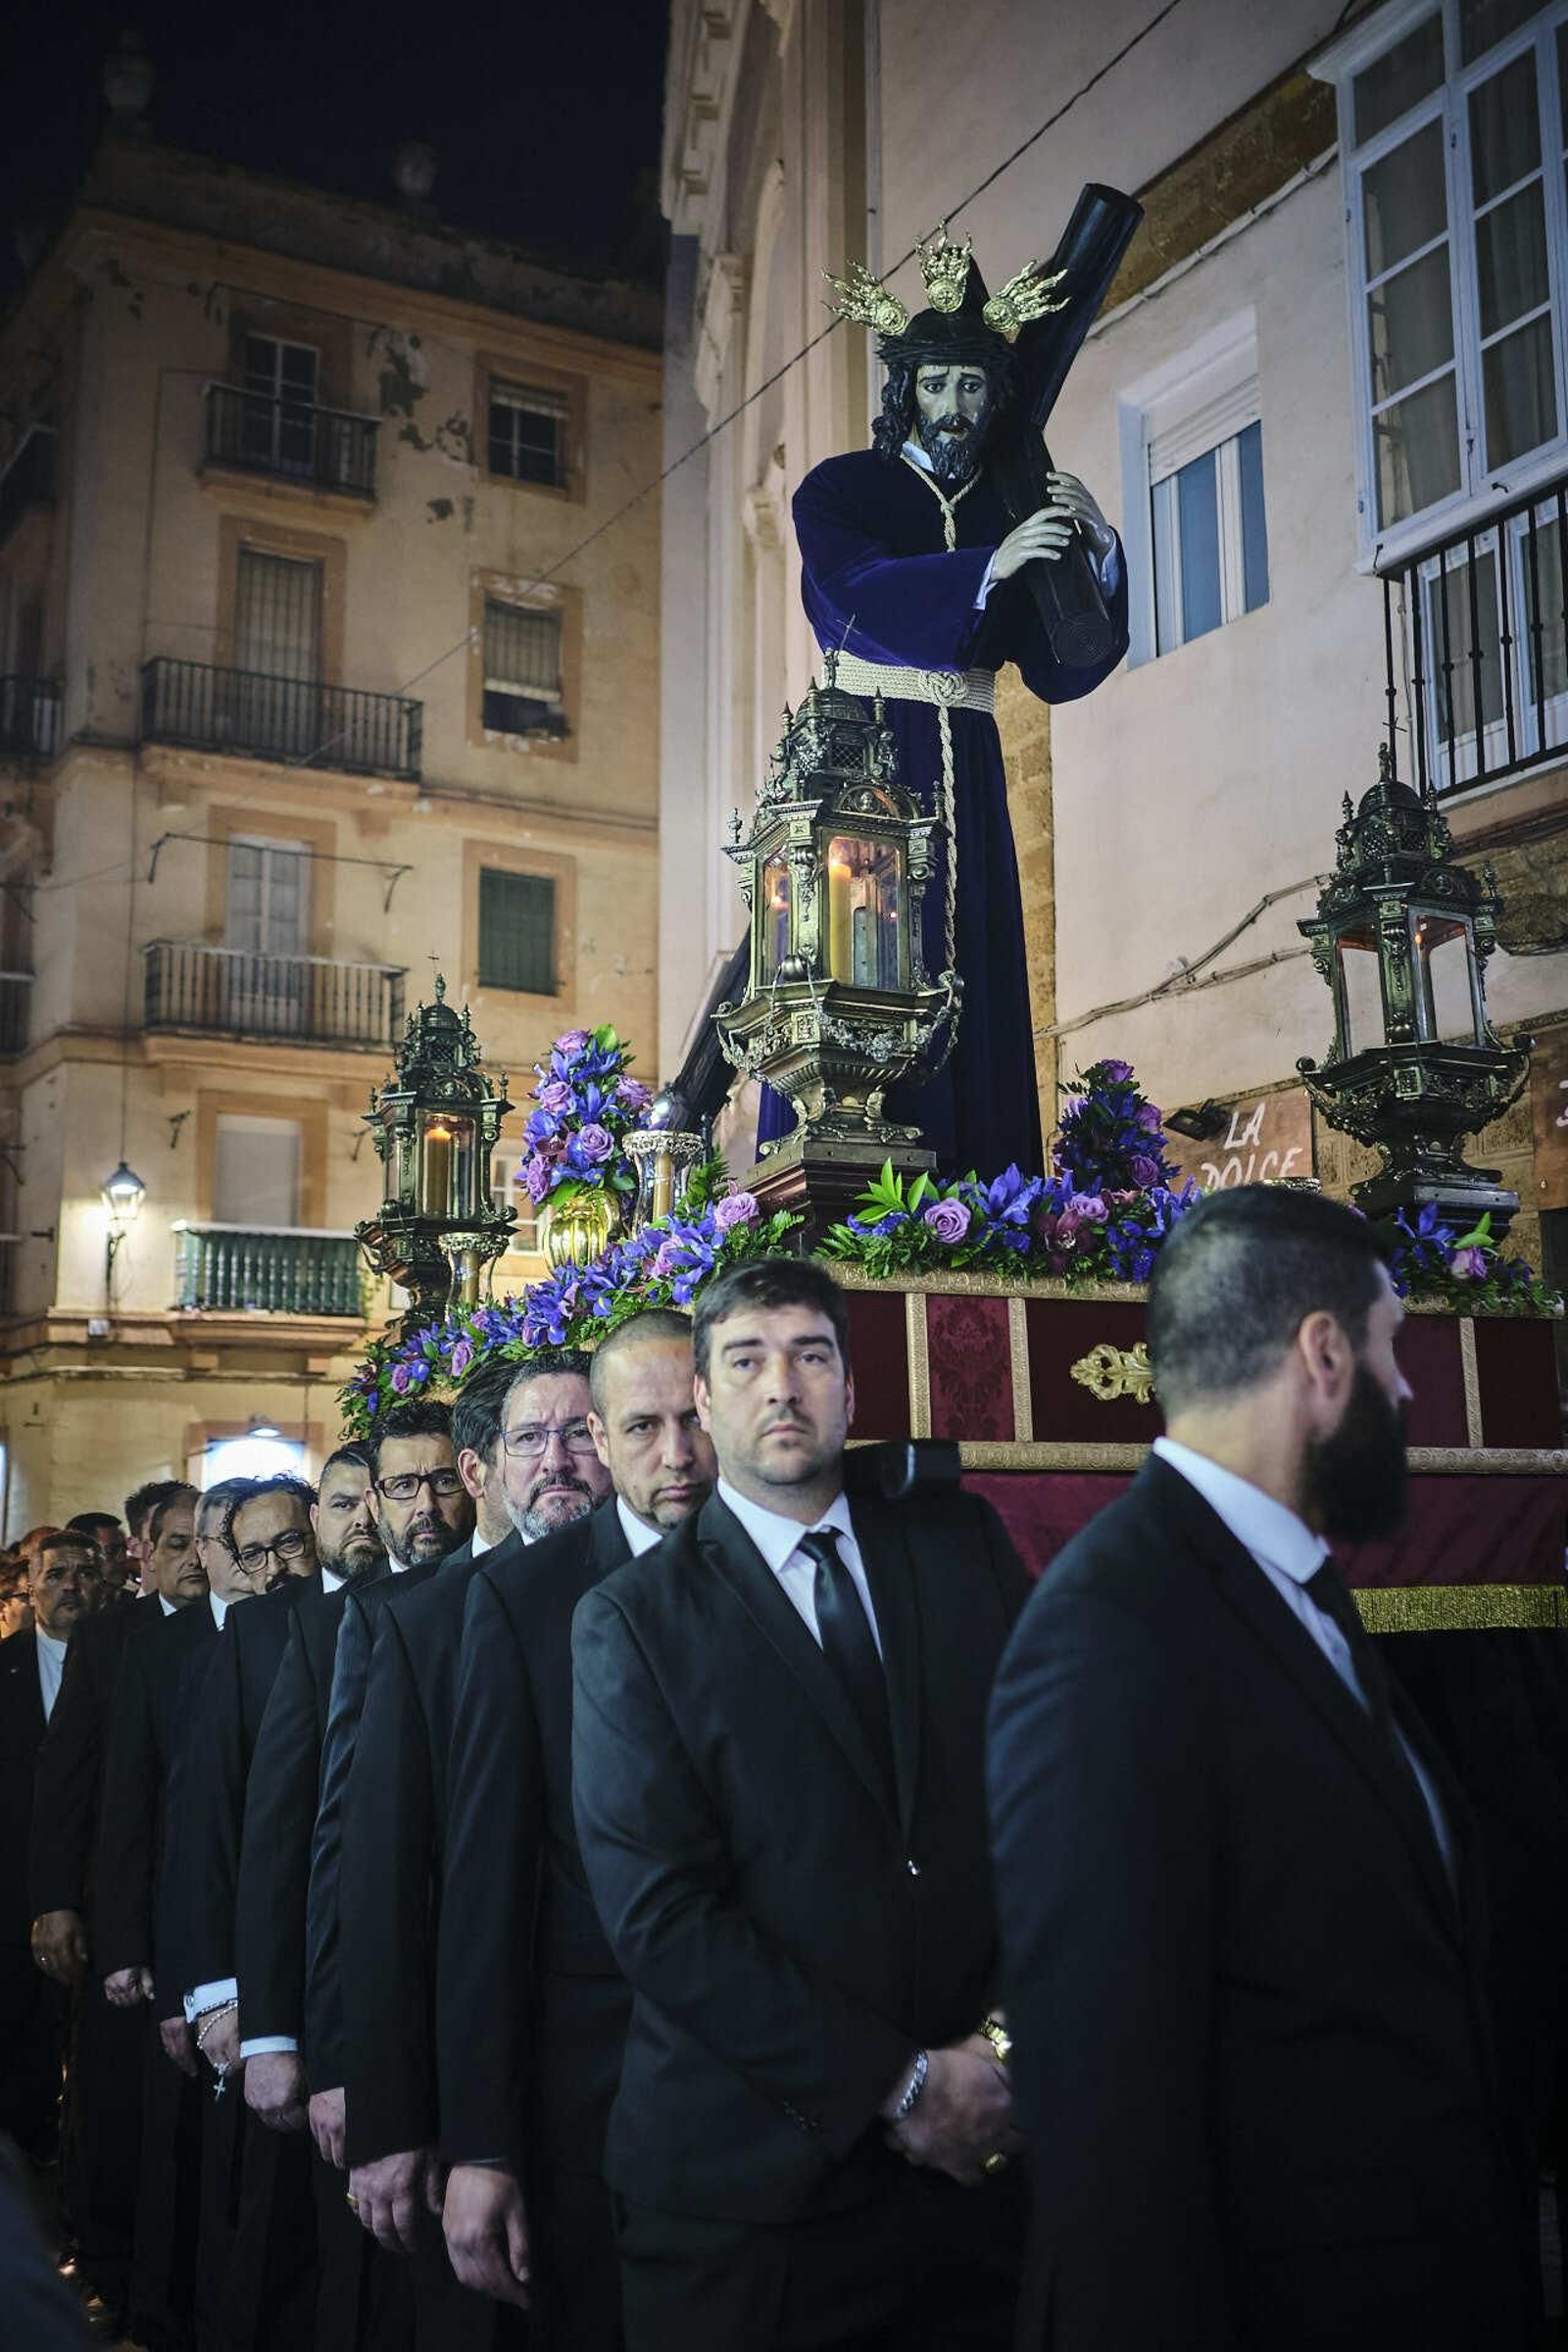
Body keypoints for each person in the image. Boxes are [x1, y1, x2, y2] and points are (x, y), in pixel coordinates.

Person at [987, 1184, 1533, 2352]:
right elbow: (1108, 2117)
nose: (1406, 1390)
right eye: (1390, 1345)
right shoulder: (1106, 1635)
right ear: (1322, 1353)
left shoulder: (1291, 1583)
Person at [572, 1257, 1031, 2351]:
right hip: (753, 2205)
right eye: (746, 1361)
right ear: (703, 1398)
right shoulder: (632, 1622)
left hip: (983, 2173)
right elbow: (662, 1917)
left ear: (851, 1390)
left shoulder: (961, 1548)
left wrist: (1000, 2048)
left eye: (811, 1356)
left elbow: (1048, 1806)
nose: (782, 1386)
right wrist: (901, 2085)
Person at [759, 230, 1127, 1178]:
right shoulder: (842, 489)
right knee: (866, 953)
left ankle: (985, 1196)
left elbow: (1058, 666)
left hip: (970, 754)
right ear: (906, 389)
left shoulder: (1013, 501)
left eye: (971, 385)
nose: (955, 406)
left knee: (977, 957)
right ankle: (848, 1177)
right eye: (937, 385)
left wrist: (1099, 552)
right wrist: (987, 568)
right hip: (870, 757)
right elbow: (857, 595)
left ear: (994, 395)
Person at [441, 1311, 716, 2343]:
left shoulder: (780, 1559)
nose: (676, 1452)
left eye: (693, 1421)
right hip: (595, 2085)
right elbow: (487, 1876)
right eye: (642, 1425)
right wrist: (481, 2143)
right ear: (607, 1436)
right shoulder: (519, 1599)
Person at [339, 1356, 605, 2344]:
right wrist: (390, 2116)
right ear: (485, 1468)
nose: (557, 1461)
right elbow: (384, 1881)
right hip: (475, 2072)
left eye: (579, 1434)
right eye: (530, 1439)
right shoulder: (422, 1624)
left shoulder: (684, 1589)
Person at [304, 1398, 475, 2346]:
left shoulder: (511, 1587)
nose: (426, 1506)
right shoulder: (369, 1617)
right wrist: (337, 2057)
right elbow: (344, 1844)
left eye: (440, 1481)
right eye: (403, 1486)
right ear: (374, 1499)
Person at [230, 1443, 393, 2352]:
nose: (364, 1517)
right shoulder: (294, 1630)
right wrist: (268, 2029)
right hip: (317, 1991)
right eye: (343, 1502)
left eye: (377, 1496)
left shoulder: (451, 1602)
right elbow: (277, 1837)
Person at [27, 1476, 191, 2328]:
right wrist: (56, 1901)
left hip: (197, 1908)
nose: (193, 1559)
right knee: (111, 2099)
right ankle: (103, 2265)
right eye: (176, 1543)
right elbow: (66, 1778)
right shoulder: (109, 1639)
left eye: (205, 1543)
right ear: (142, 1552)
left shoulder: (245, 1626)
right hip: (115, 1905)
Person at [0, 1533, 94, 2162]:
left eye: (83, 1574)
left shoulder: (124, 1659)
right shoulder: (4, 1667)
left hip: (92, 1886)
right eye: (56, 1574)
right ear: (30, 1584)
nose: (70, 1587)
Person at [67, 1512, 131, 1595]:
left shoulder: (131, 1600)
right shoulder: (58, 1601)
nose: (124, 1559)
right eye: (112, 1551)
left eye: (125, 1549)